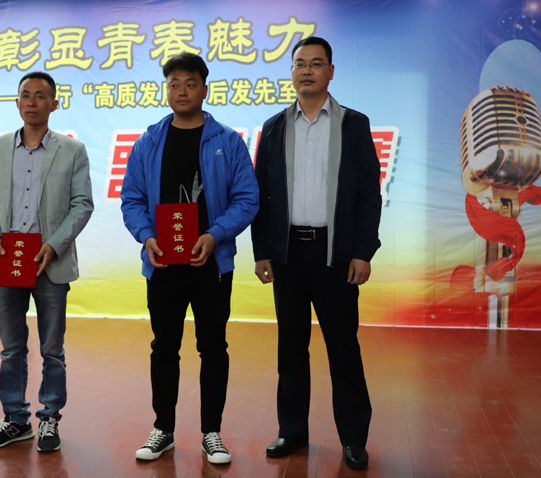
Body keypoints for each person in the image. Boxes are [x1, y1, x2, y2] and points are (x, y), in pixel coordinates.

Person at [120, 52, 258, 465]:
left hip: (210, 264)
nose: (182, 91)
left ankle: (211, 432)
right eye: (174, 84)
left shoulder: (227, 141)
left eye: (190, 83)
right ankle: (163, 429)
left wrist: (215, 235)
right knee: (164, 347)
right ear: (167, 90)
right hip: (163, 264)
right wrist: (146, 236)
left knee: (213, 347)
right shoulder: (148, 142)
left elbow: (247, 199)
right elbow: (132, 200)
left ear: (204, 89)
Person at [251, 37, 381, 470]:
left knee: (343, 348)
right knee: (291, 347)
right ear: (291, 71)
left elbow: (369, 194)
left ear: (330, 71)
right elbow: (261, 194)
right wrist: (262, 250)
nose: (306, 70)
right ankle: (291, 431)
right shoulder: (274, 127)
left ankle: (353, 439)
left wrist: (363, 251)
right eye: (299, 64)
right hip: (287, 254)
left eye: (316, 63)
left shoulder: (353, 125)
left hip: (335, 256)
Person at [0, 71, 94, 453]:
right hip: (8, 259)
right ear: (17, 103)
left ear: (54, 104)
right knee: (11, 348)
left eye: (40, 96)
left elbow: (82, 204)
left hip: (49, 263)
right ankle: (15, 419)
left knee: (52, 350)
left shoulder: (72, 150)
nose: (31, 101)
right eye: (25, 95)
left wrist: (54, 246)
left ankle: (49, 419)